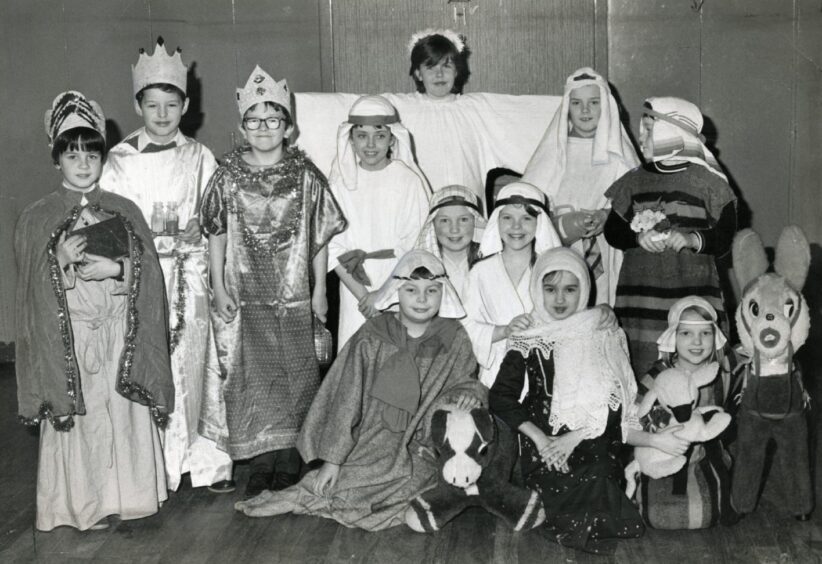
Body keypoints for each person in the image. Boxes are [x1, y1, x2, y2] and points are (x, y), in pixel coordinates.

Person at [234, 250, 486, 530]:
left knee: (416, 482)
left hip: (420, 446)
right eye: (411, 290)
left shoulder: (454, 337)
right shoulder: (372, 336)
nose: (422, 299)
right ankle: (307, 495)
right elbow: (346, 399)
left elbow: (464, 380)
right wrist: (333, 460)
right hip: (367, 440)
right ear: (395, 290)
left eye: (432, 291)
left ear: (444, 293)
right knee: (343, 485)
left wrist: (469, 392)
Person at [15, 91, 173, 531]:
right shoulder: (38, 217)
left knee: (121, 415)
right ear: (56, 160)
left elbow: (152, 279)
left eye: (91, 153)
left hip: (119, 333)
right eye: (71, 154)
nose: (83, 164)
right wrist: (59, 262)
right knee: (84, 425)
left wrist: (119, 267)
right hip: (75, 340)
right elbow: (31, 293)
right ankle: (85, 506)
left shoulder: (125, 210)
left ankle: (131, 497)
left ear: (103, 156)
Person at [199, 66, 346, 500]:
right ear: (241, 126)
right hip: (246, 297)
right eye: (255, 121)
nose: (264, 129)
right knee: (253, 377)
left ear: (289, 127)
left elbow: (319, 237)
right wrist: (219, 287)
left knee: (296, 377)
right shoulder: (226, 176)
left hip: (294, 297)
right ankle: (262, 461)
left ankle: (290, 459)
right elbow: (216, 234)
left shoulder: (305, 176)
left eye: (273, 120)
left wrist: (320, 291)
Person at [100, 37, 233, 493]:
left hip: (190, 276)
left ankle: (205, 461)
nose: (161, 115)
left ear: (186, 105)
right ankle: (150, 464)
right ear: (138, 106)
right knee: (146, 363)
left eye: (171, 105)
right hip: (139, 276)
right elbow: (109, 221)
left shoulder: (200, 157)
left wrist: (201, 227)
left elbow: (217, 217)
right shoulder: (117, 162)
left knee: (195, 364)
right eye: (152, 105)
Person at [489, 248, 682, 554]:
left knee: (600, 470)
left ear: (584, 289)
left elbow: (615, 396)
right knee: (559, 481)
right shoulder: (528, 335)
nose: (560, 299)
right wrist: (541, 440)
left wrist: (574, 438)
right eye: (550, 289)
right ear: (537, 288)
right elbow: (500, 397)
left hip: (594, 431)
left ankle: (585, 514)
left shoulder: (600, 330)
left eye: (570, 289)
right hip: (543, 436)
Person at [604, 96, 737, 376]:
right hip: (641, 298)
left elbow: (725, 237)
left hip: (692, 291)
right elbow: (612, 231)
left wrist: (693, 239)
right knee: (643, 370)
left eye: (650, 130)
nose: (641, 136)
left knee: (695, 369)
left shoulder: (708, 182)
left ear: (671, 132)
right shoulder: (632, 181)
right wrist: (636, 238)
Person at [522, 67, 639, 305]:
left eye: (594, 102)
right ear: (567, 108)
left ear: (605, 106)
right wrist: (562, 224)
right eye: (576, 103)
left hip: (607, 253)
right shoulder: (554, 153)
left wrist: (607, 216)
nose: (585, 110)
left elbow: (638, 202)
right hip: (560, 250)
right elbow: (527, 207)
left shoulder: (619, 154)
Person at [327, 95, 429, 350]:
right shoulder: (339, 184)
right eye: (362, 136)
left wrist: (383, 296)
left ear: (393, 138)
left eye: (379, 135)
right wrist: (365, 297)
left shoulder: (408, 181)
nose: (370, 144)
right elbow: (331, 247)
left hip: (400, 287)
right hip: (355, 290)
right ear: (350, 138)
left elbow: (415, 245)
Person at [635, 296, 737, 529]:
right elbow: (627, 426)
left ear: (715, 336)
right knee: (655, 516)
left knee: (710, 513)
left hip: (703, 456)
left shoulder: (722, 374)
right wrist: (656, 440)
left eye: (705, 333)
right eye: (686, 333)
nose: (697, 341)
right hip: (659, 454)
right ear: (673, 337)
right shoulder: (656, 377)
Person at [462, 182, 562, 387]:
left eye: (527, 218)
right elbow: (466, 327)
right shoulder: (481, 271)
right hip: (495, 375)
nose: (516, 227)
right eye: (507, 218)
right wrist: (504, 331)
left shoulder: (554, 269)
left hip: (545, 371)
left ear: (540, 223)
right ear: (496, 222)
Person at [415, 184, 486, 301]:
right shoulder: (421, 267)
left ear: (475, 222)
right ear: (433, 225)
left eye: (463, 219)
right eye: (444, 220)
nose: (454, 229)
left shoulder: (489, 262)